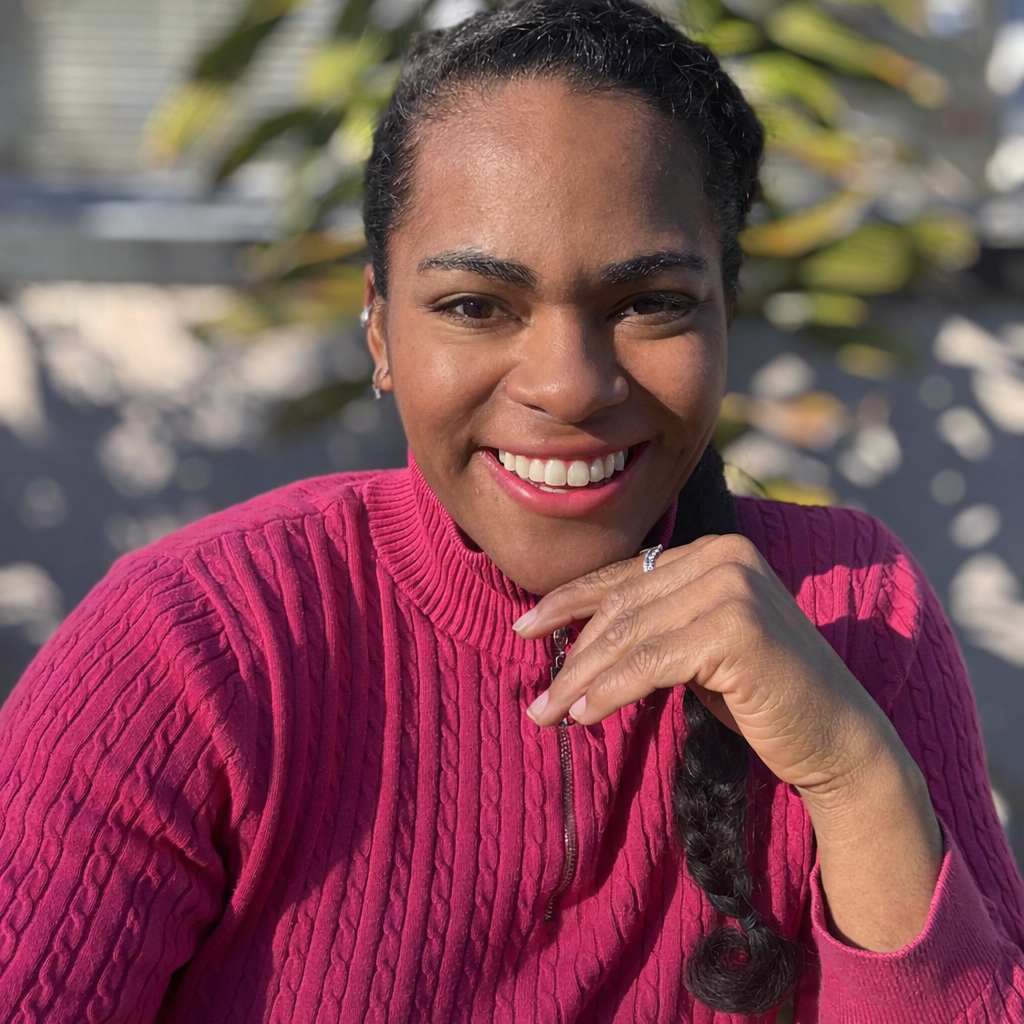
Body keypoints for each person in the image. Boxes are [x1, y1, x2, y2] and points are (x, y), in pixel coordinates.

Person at [1, 1, 1021, 1020]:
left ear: (725, 312)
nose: (570, 386)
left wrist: (850, 774)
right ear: (379, 328)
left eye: (650, 301)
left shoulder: (851, 613)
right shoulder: (195, 646)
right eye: (475, 306)